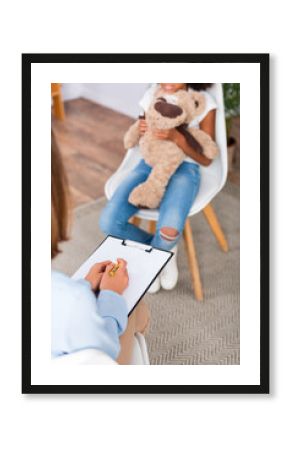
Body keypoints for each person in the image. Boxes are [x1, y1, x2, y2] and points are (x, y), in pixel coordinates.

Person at [99, 83, 217, 293]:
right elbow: (144, 133)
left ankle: (161, 251)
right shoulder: (152, 94)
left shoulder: (203, 102)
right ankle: (163, 252)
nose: (168, 80)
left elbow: (207, 159)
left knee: (169, 230)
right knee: (108, 222)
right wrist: (143, 130)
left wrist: (178, 139)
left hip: (186, 167)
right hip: (148, 164)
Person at [51, 130, 149, 364]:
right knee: (134, 307)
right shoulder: (72, 300)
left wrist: (85, 285)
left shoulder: (65, 294)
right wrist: (110, 294)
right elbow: (104, 353)